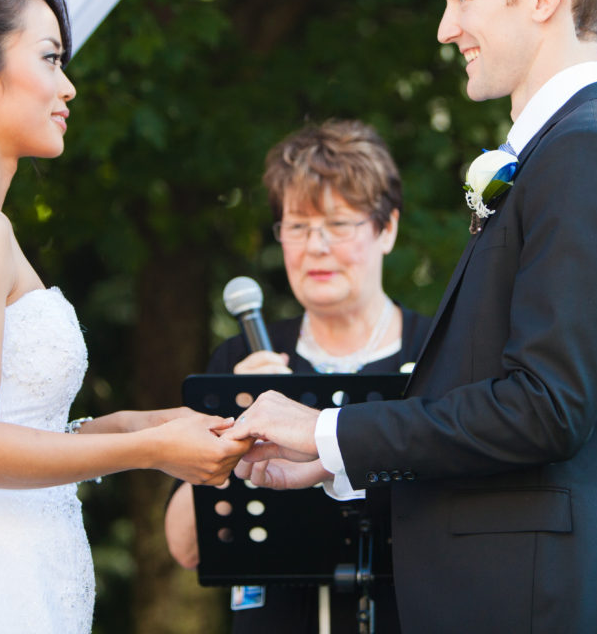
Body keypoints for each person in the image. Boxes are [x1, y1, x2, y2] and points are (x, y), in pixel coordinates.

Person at [225, 0, 597, 633]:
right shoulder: (565, 153)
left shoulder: (593, 155)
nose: (447, 29)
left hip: (541, 606)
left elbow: (545, 407)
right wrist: (335, 465)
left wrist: (328, 432)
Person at [0, 0, 249, 633]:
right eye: (49, 58)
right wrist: (149, 449)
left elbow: (3, 428)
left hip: (14, 577)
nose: (68, 86)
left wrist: (141, 427)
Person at [163, 120, 432, 633]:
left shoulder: (436, 352)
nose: (316, 246)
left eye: (338, 224)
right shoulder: (242, 360)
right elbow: (184, 546)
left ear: (387, 228)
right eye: (299, 226)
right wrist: (232, 428)